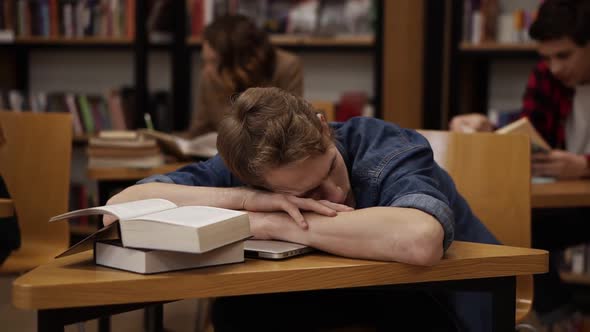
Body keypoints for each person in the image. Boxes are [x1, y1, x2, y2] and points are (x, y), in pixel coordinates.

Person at [108, 87, 498, 331]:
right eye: (306, 192)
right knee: (238, 314)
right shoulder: (252, 170)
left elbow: (421, 241)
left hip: (451, 294)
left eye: (330, 167)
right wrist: (245, 203)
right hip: (350, 290)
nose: (332, 192)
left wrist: (277, 224)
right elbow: (118, 208)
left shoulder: (383, 144)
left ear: (323, 127)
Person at [449, 0, 590, 327]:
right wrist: (490, 132)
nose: (554, 67)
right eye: (547, 57)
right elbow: (530, 133)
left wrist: (583, 165)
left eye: (564, 55)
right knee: (508, 224)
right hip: (569, 201)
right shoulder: (547, 76)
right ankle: (564, 319)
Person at [185, 15, 303, 138]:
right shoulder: (209, 74)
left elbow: (291, 131)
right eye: (204, 61)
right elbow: (199, 130)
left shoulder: (286, 67)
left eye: (214, 62)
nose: (206, 70)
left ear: (243, 62)